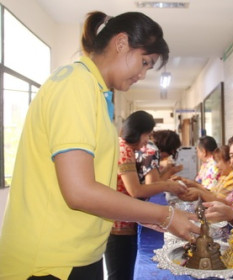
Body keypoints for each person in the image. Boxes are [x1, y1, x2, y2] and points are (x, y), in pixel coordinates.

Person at [0, 11, 199, 280]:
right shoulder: (75, 84)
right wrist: (164, 215)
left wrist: (145, 215)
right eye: (143, 62)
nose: (141, 74)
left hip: (77, 252)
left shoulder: (94, 91)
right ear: (121, 43)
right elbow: (79, 191)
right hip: (50, 260)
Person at [105, 111, 188, 280]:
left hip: (120, 219)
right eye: (147, 135)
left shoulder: (121, 146)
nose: (146, 142)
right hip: (119, 225)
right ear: (138, 132)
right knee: (121, 274)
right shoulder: (125, 150)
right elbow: (136, 190)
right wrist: (168, 185)